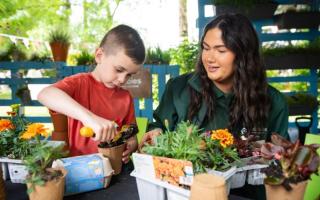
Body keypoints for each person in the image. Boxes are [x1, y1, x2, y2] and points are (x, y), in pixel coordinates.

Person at [140, 13, 289, 200]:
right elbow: (159, 125)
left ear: (243, 55)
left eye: (220, 50)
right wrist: (155, 134)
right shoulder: (178, 89)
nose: (209, 58)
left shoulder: (273, 102)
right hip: (185, 193)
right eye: (206, 48)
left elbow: (281, 163)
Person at [38, 24, 145, 164]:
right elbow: (45, 94)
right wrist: (89, 118)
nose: (122, 80)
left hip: (115, 172)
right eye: (119, 70)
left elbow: (131, 136)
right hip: (80, 169)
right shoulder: (79, 83)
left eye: (129, 75)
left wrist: (131, 146)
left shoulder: (125, 97)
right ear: (99, 56)